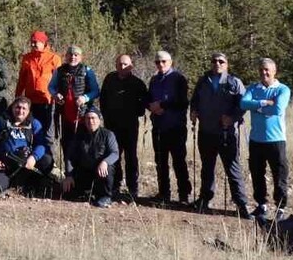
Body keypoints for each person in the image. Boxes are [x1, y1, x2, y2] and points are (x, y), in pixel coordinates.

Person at [189, 52, 251, 217]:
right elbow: (194, 100)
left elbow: (243, 105)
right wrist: (193, 111)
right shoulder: (203, 81)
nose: (217, 63)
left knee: (232, 169)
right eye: (214, 61)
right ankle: (204, 199)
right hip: (206, 131)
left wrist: (232, 118)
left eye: (221, 61)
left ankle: (241, 204)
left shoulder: (234, 82)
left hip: (226, 133)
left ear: (226, 64)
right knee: (207, 168)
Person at [241, 57, 291, 218]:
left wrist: (256, 107)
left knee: (279, 175)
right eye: (261, 70)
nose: (264, 73)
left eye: (267, 70)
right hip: (256, 139)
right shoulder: (253, 88)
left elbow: (278, 109)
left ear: (274, 71)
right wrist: (264, 103)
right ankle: (261, 205)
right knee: (257, 174)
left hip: (276, 140)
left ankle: (280, 208)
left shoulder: (282, 89)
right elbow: (243, 103)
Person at [0, 96, 53, 195]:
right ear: (12, 107)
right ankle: (10, 183)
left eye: (24, 108)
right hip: (4, 164)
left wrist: (33, 157)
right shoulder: (1, 121)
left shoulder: (34, 123)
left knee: (47, 160)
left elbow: (42, 144)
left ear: (28, 111)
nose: (20, 111)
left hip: (25, 163)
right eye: (18, 107)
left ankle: (26, 184)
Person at [99, 54, 149, 201]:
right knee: (113, 155)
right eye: (120, 64)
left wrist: (137, 112)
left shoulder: (137, 83)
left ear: (131, 66)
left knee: (131, 157)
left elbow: (144, 102)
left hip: (130, 125)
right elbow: (103, 99)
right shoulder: (109, 79)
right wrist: (106, 116)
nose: (122, 67)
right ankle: (115, 185)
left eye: (125, 64)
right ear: (116, 65)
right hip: (111, 125)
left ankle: (133, 188)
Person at [146, 50, 191, 206]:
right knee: (160, 162)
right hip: (158, 126)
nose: (160, 64)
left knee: (179, 161)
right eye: (157, 62)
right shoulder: (154, 80)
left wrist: (162, 105)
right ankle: (163, 193)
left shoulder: (179, 79)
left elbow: (183, 102)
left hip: (176, 127)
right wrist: (151, 107)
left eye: (163, 61)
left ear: (170, 62)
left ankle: (184, 195)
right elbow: (148, 99)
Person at [49, 45, 101, 160]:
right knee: (67, 144)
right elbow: (51, 87)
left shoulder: (87, 71)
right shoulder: (59, 71)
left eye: (76, 55)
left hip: (82, 115)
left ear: (81, 57)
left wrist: (85, 98)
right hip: (64, 115)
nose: (73, 57)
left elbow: (96, 91)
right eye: (70, 55)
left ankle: (84, 169)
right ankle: (68, 169)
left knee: (83, 145)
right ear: (66, 56)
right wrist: (55, 94)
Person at [60, 108, 118, 208]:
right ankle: (87, 194)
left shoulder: (108, 134)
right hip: (84, 171)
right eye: (88, 118)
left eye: (93, 118)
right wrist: (69, 175)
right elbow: (70, 156)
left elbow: (115, 153)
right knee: (68, 193)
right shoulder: (79, 135)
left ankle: (106, 196)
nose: (90, 121)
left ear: (99, 120)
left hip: (100, 172)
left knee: (108, 168)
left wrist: (105, 162)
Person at [16, 31, 61, 150]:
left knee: (47, 135)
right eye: (31, 42)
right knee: (29, 131)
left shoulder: (54, 58)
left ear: (43, 43)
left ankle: (49, 158)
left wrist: (59, 97)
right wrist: (17, 98)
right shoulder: (27, 58)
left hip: (48, 102)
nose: (32, 45)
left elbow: (59, 81)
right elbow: (21, 80)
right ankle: (30, 156)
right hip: (30, 102)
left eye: (35, 42)